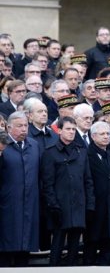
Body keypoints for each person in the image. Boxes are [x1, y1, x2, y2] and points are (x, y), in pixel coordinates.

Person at [41, 116, 95, 266]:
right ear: (59, 130)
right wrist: (53, 206)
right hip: (60, 206)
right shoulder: (50, 153)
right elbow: (47, 184)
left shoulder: (81, 151)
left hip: (78, 205)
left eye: (73, 129)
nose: (71, 132)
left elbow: (88, 180)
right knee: (57, 244)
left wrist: (90, 205)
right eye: (68, 129)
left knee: (74, 246)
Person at [84, 121, 110, 265]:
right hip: (94, 209)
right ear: (93, 136)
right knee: (91, 245)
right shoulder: (86, 155)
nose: (106, 137)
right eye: (102, 134)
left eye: (108, 134)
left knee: (108, 245)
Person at [0, 112, 40, 267]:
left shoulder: (34, 145)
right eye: (19, 126)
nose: (24, 129)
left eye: (26, 126)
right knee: (6, 244)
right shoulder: (3, 145)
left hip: (30, 202)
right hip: (7, 203)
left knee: (25, 246)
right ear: (8, 127)